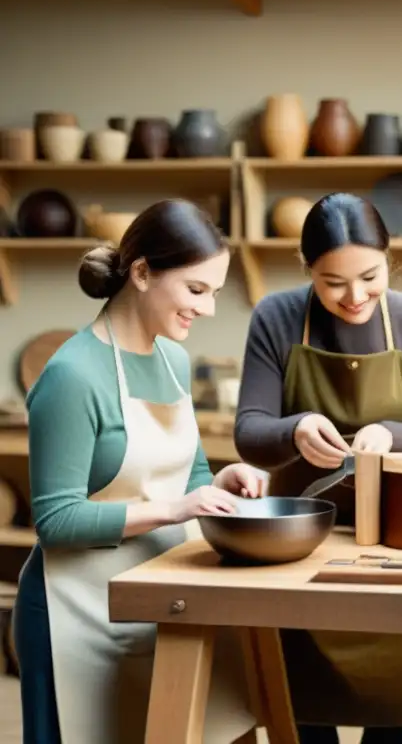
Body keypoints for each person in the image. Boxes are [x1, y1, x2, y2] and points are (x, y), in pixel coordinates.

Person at [233, 192, 402, 744]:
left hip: (401, 543)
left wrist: (393, 436)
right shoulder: (276, 317)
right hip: (301, 542)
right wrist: (294, 429)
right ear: (307, 271)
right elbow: (249, 434)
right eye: (332, 282)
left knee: (395, 701)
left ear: (389, 258)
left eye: (369, 277)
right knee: (301, 702)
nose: (353, 297)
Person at [13, 199, 262, 744]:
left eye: (215, 293)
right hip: (74, 613)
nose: (210, 308)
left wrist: (217, 484)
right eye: (197, 290)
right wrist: (176, 509)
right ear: (143, 273)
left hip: (161, 597)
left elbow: (191, 472)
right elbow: (54, 520)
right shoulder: (72, 375)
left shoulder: (172, 360)